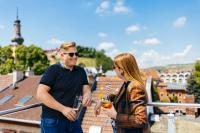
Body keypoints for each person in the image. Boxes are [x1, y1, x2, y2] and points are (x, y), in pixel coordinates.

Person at [37, 42, 92, 133]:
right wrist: (63, 109)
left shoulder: (81, 71)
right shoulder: (53, 70)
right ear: (62, 55)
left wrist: (88, 95)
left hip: (73, 119)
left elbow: (86, 88)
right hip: (53, 121)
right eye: (71, 54)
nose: (75, 56)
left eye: (76, 54)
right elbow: (40, 94)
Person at [94, 53, 150, 133]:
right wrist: (102, 100)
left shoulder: (135, 87)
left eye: (114, 67)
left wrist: (115, 115)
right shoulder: (127, 84)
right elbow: (120, 97)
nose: (113, 69)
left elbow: (140, 120)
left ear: (121, 69)